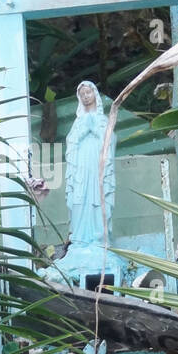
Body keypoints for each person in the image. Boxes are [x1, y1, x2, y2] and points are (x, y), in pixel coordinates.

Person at [65, 80, 115, 248]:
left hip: (97, 163)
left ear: (95, 94)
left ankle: (99, 237)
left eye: (88, 93)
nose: (86, 97)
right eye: (82, 94)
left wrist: (95, 131)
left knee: (98, 195)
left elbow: (111, 140)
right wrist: (83, 132)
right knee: (79, 196)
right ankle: (79, 237)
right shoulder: (78, 122)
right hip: (80, 163)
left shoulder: (102, 119)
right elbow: (71, 142)